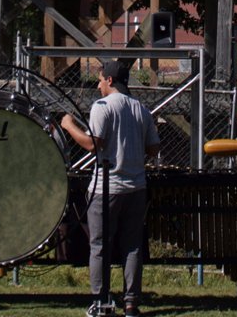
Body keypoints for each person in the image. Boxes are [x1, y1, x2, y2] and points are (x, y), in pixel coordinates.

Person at [61, 60, 160, 317]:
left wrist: (68, 125)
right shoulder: (142, 110)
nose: (98, 84)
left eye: (100, 79)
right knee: (132, 246)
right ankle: (130, 304)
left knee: (100, 245)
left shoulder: (102, 106)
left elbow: (93, 144)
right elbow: (153, 148)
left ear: (110, 81)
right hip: (136, 187)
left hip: (107, 188)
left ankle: (100, 300)